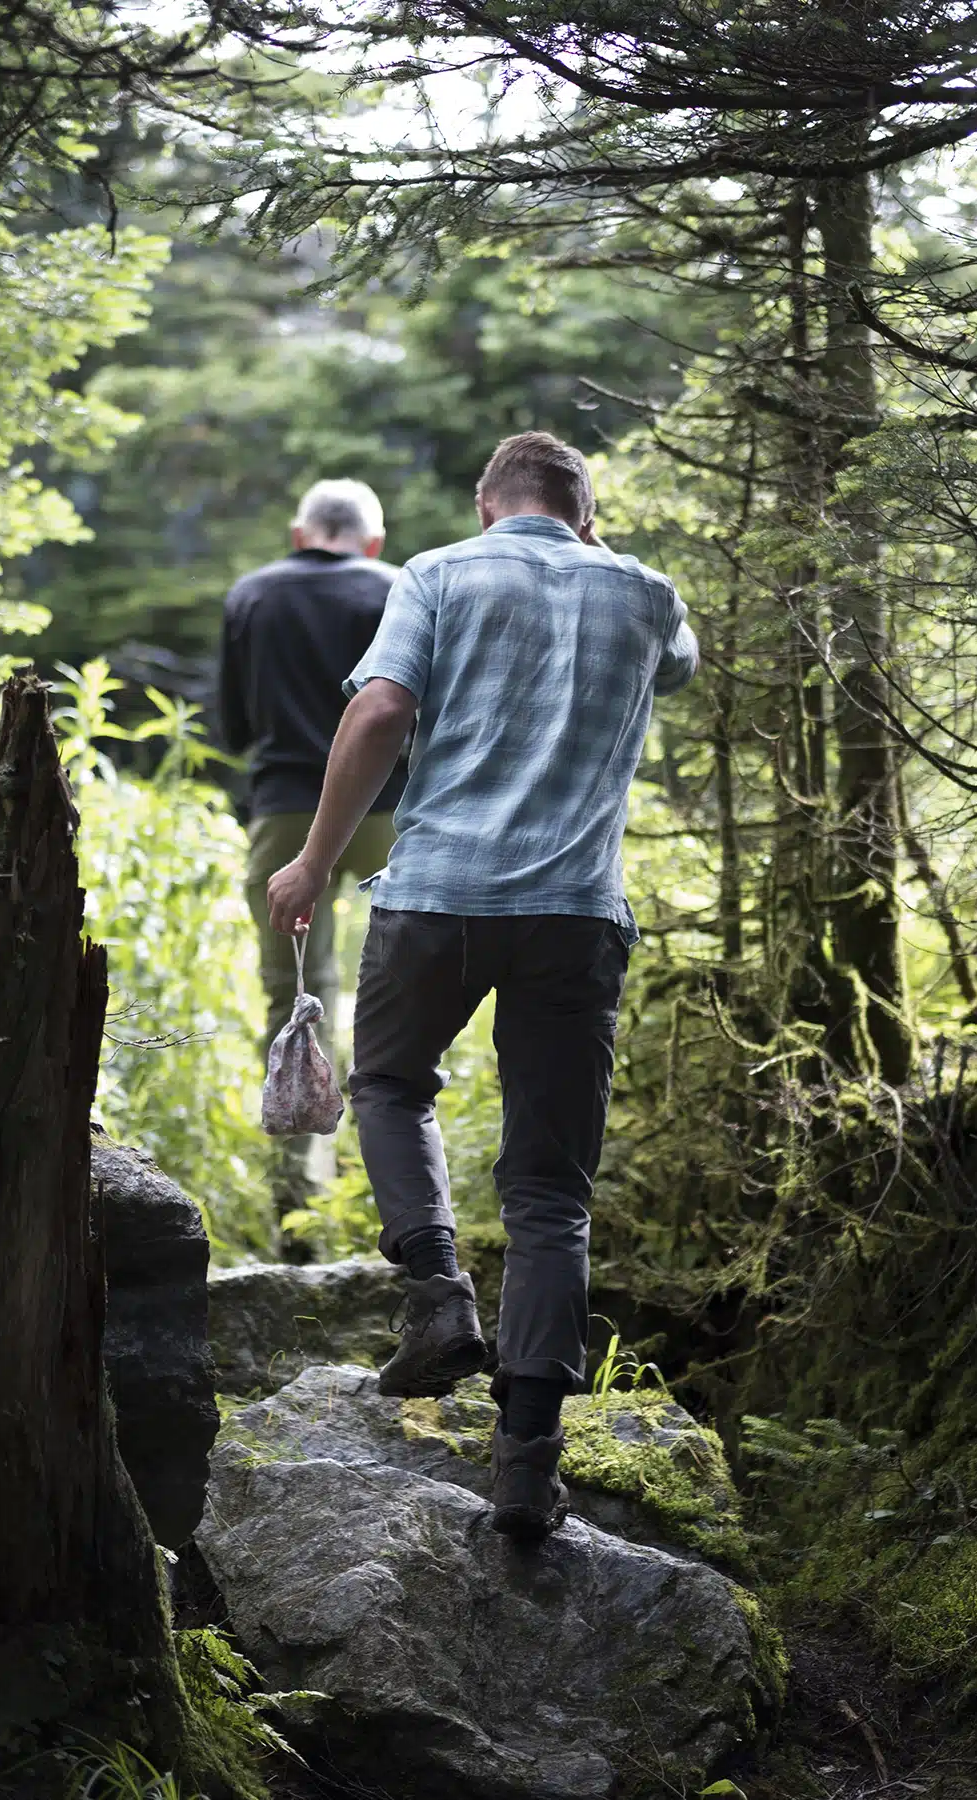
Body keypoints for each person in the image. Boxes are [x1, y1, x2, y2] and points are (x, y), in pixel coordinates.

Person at [266, 431, 699, 1540]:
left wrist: (315, 859)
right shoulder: (646, 592)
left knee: (392, 1088)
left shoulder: (440, 572)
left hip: (438, 901)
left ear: (484, 499)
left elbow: (378, 711)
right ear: (584, 509)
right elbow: (680, 665)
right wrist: (598, 553)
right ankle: (525, 1471)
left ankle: (438, 1295)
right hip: (574, 916)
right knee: (551, 1196)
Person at [217, 478, 406, 1222]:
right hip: (390, 809)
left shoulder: (253, 595)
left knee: (293, 991)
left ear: (300, 535)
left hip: (288, 810)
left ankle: (297, 1191)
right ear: (374, 541)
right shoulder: (399, 586)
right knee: (404, 989)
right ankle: (387, 1175)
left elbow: (233, 727)